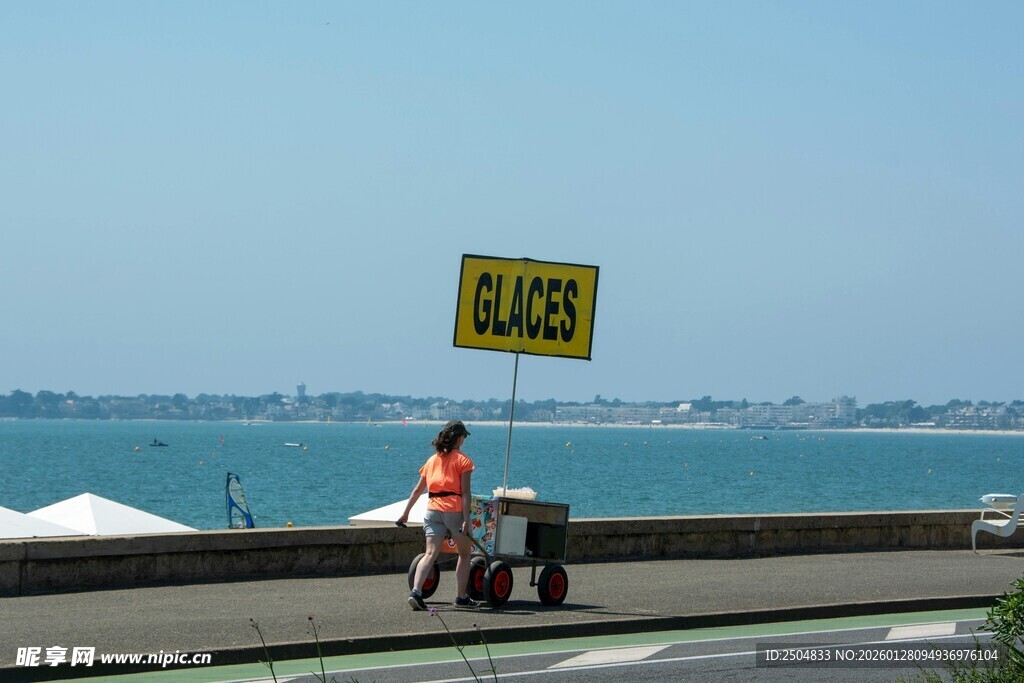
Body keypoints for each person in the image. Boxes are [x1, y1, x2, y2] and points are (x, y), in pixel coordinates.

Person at [398, 419, 480, 610]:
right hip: (453, 510)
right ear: (460, 439)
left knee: (430, 553)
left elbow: (418, 490)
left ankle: (416, 592)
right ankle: (461, 597)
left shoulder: (431, 460)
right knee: (465, 553)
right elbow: (465, 492)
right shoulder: (464, 461)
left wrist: (406, 513)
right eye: (464, 438)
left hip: (432, 510)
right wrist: (467, 520)